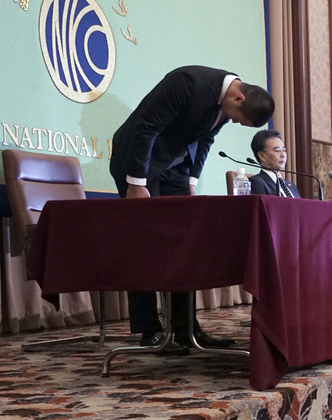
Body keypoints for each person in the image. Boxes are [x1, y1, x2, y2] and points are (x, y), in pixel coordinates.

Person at [109, 65, 274, 351]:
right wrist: (135, 183)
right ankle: (149, 330)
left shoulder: (226, 102)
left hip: (175, 167)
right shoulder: (186, 83)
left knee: (182, 244)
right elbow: (145, 128)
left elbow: (205, 139)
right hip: (137, 163)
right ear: (239, 98)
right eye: (238, 119)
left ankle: (186, 329)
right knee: (144, 245)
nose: (234, 122)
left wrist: (191, 180)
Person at [247, 130, 301, 198]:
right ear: (262, 156)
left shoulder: (291, 185)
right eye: (277, 150)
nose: (283, 155)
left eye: (284, 150)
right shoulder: (256, 182)